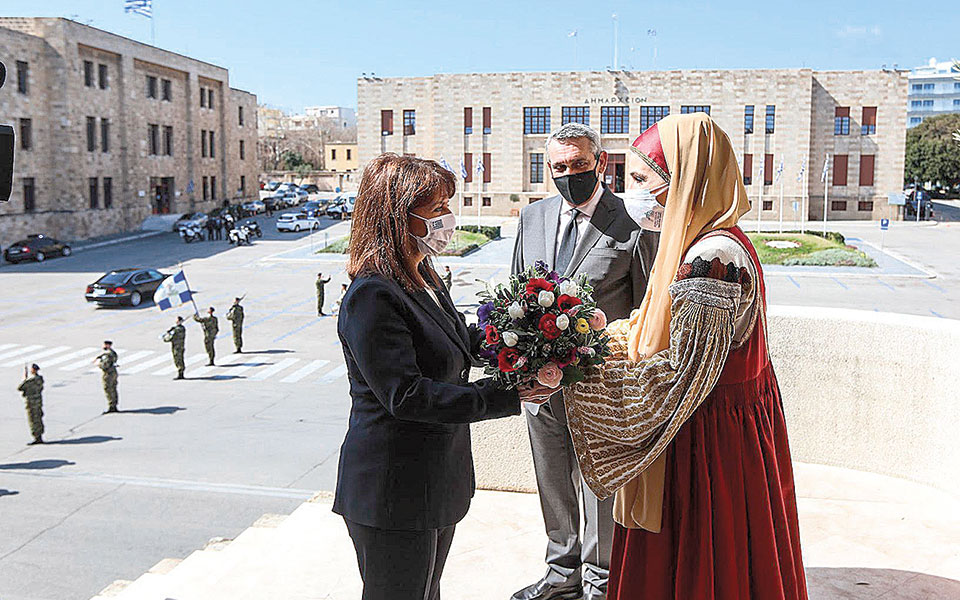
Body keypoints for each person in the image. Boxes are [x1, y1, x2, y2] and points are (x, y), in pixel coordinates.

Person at [563, 113, 808, 600]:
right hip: (722, 432)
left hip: (705, 444)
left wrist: (583, 368)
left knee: (700, 564)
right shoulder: (715, 241)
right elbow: (659, 331)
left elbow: (681, 374)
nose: (630, 193)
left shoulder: (709, 259)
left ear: (684, 181)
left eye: (639, 179)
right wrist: (599, 335)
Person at [334, 153, 553, 600]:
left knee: (427, 592)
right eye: (436, 210)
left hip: (437, 477)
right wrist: (512, 396)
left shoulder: (422, 275)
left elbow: (460, 342)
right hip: (393, 485)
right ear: (398, 215)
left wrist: (533, 341)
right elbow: (407, 395)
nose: (448, 219)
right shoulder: (373, 294)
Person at [510, 122, 658, 600]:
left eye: (577, 165)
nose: (568, 173)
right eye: (558, 166)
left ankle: (601, 581)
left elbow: (648, 312)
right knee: (552, 480)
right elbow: (516, 292)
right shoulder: (531, 218)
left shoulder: (633, 222)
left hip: (601, 387)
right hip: (539, 385)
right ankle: (561, 575)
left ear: (600, 164)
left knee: (599, 488)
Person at [18, 363, 44, 445]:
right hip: (38, 402)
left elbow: (20, 388)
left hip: (31, 403)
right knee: (39, 418)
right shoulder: (40, 379)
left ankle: (37, 437)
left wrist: (25, 379)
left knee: (33, 419)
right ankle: (39, 436)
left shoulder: (30, 381)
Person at [94, 340, 119, 413]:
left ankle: (111, 406)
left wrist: (99, 365)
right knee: (113, 388)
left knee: (108, 389)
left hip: (108, 374)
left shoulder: (107, 355)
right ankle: (114, 404)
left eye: (105, 345)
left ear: (108, 345)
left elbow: (105, 365)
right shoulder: (113, 353)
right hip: (113, 372)